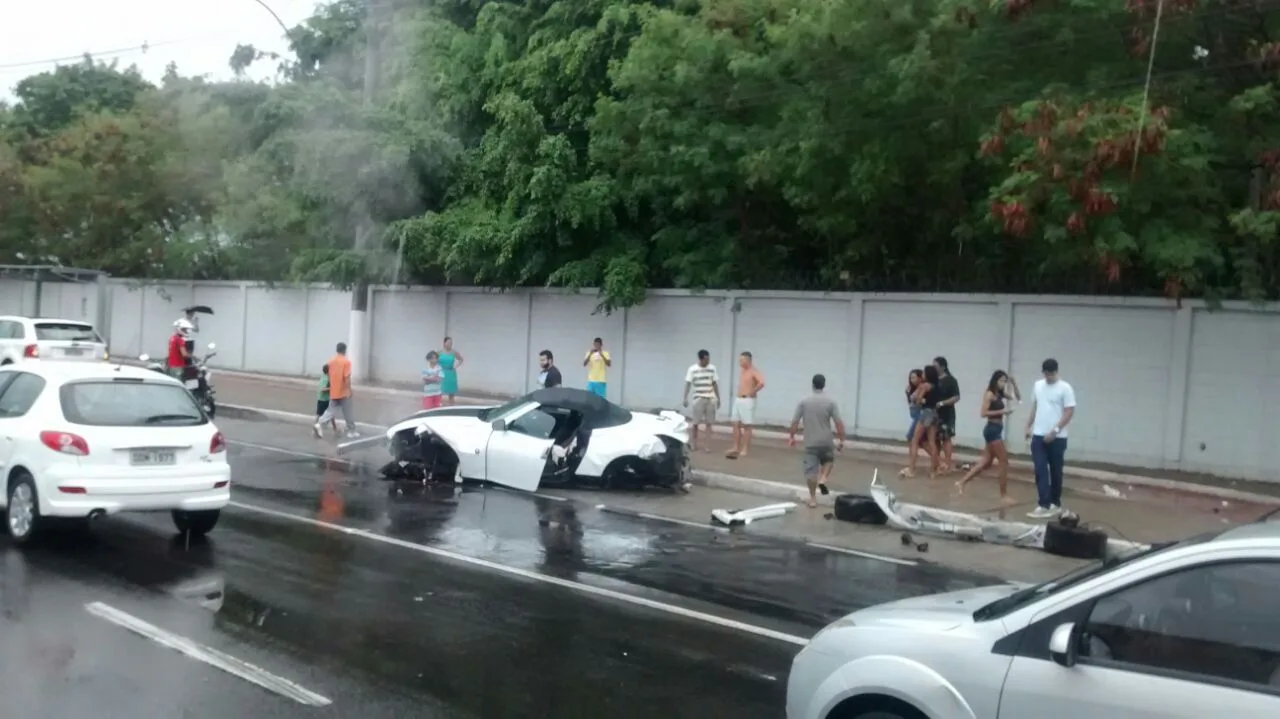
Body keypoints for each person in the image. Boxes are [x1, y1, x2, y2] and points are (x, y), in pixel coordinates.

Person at [955, 370, 1019, 503]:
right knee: (1003, 461)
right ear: (995, 380)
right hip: (992, 430)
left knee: (986, 461)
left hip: (996, 429)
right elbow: (983, 413)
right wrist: (1003, 411)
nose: (1002, 384)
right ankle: (1003, 495)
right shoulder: (989, 394)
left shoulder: (1000, 394)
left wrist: (1013, 383)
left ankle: (961, 482)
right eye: (1001, 381)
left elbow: (1017, 398)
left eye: (1004, 381)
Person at [1025, 358, 1077, 519]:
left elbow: (1069, 411)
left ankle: (1055, 502)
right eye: (1046, 374)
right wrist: (1028, 426)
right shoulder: (1038, 386)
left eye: (1051, 374)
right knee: (1040, 469)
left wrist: (1055, 430)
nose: (1049, 377)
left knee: (1055, 471)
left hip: (1057, 437)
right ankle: (1044, 504)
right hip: (1039, 435)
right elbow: (1035, 407)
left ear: (1056, 372)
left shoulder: (1065, 388)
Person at [788, 374, 845, 508]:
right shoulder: (831, 402)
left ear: (812, 385)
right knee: (829, 460)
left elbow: (795, 422)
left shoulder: (804, 401)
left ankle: (813, 499)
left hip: (810, 442)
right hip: (826, 440)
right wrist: (841, 439)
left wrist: (792, 437)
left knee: (811, 471)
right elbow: (838, 423)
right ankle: (824, 478)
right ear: (824, 385)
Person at [900, 364, 940, 478]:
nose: (922, 374)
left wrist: (920, 399)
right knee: (932, 442)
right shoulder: (936, 386)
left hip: (925, 413)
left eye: (924, 373)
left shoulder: (925, 386)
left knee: (914, 440)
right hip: (934, 414)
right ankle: (933, 470)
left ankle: (911, 469)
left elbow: (917, 401)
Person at [314, 342, 358, 438]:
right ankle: (351, 431)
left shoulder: (330, 361)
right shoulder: (346, 362)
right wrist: (349, 390)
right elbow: (347, 378)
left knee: (330, 411)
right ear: (344, 350)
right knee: (348, 411)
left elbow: (329, 376)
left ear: (337, 349)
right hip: (343, 392)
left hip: (334, 391)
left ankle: (319, 424)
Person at [726, 351, 765, 459]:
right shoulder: (742, 371)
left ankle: (745, 449)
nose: (740, 362)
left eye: (742, 360)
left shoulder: (754, 371)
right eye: (740, 360)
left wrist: (752, 391)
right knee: (735, 423)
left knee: (747, 425)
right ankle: (735, 447)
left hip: (748, 400)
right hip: (738, 399)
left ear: (748, 360)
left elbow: (761, 383)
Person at [682, 349, 720, 452]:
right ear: (701, 359)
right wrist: (685, 398)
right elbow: (688, 383)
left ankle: (707, 445)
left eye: (709, 359)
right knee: (695, 423)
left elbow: (714, 383)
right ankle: (694, 444)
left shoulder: (712, 368)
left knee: (709, 423)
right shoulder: (692, 369)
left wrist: (718, 398)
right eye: (706, 359)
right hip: (698, 397)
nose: (708, 361)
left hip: (710, 398)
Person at [933, 356, 960, 473]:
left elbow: (956, 397)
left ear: (943, 367)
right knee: (934, 440)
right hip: (933, 415)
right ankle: (937, 463)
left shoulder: (951, 380)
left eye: (936, 366)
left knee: (946, 439)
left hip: (946, 414)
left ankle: (948, 464)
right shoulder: (933, 380)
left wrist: (943, 403)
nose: (934, 368)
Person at [314, 364, 339, 434]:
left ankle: (335, 429)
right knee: (319, 414)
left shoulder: (325, 376)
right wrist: (331, 388)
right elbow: (322, 389)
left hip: (326, 399)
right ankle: (315, 428)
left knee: (331, 414)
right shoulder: (325, 379)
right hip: (323, 399)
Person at [438, 337, 464, 406]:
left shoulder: (454, 352)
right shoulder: (439, 352)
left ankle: (451, 406)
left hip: (450, 373)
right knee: (439, 391)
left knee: (451, 393)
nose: (450, 344)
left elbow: (461, 359)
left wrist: (456, 366)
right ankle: (438, 405)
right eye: (448, 342)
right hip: (442, 373)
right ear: (444, 343)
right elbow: (434, 361)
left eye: (451, 343)